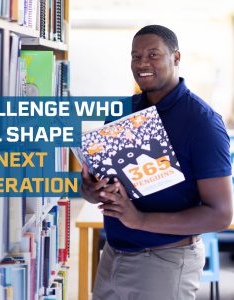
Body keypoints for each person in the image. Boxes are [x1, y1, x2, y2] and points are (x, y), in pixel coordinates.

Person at [81, 24, 233, 300]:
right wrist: (91, 191)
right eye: (135, 56)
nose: (142, 63)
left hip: (164, 262)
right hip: (114, 254)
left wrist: (139, 220)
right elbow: (104, 188)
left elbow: (221, 215)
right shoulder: (121, 114)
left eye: (153, 55)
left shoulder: (202, 123)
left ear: (176, 58)